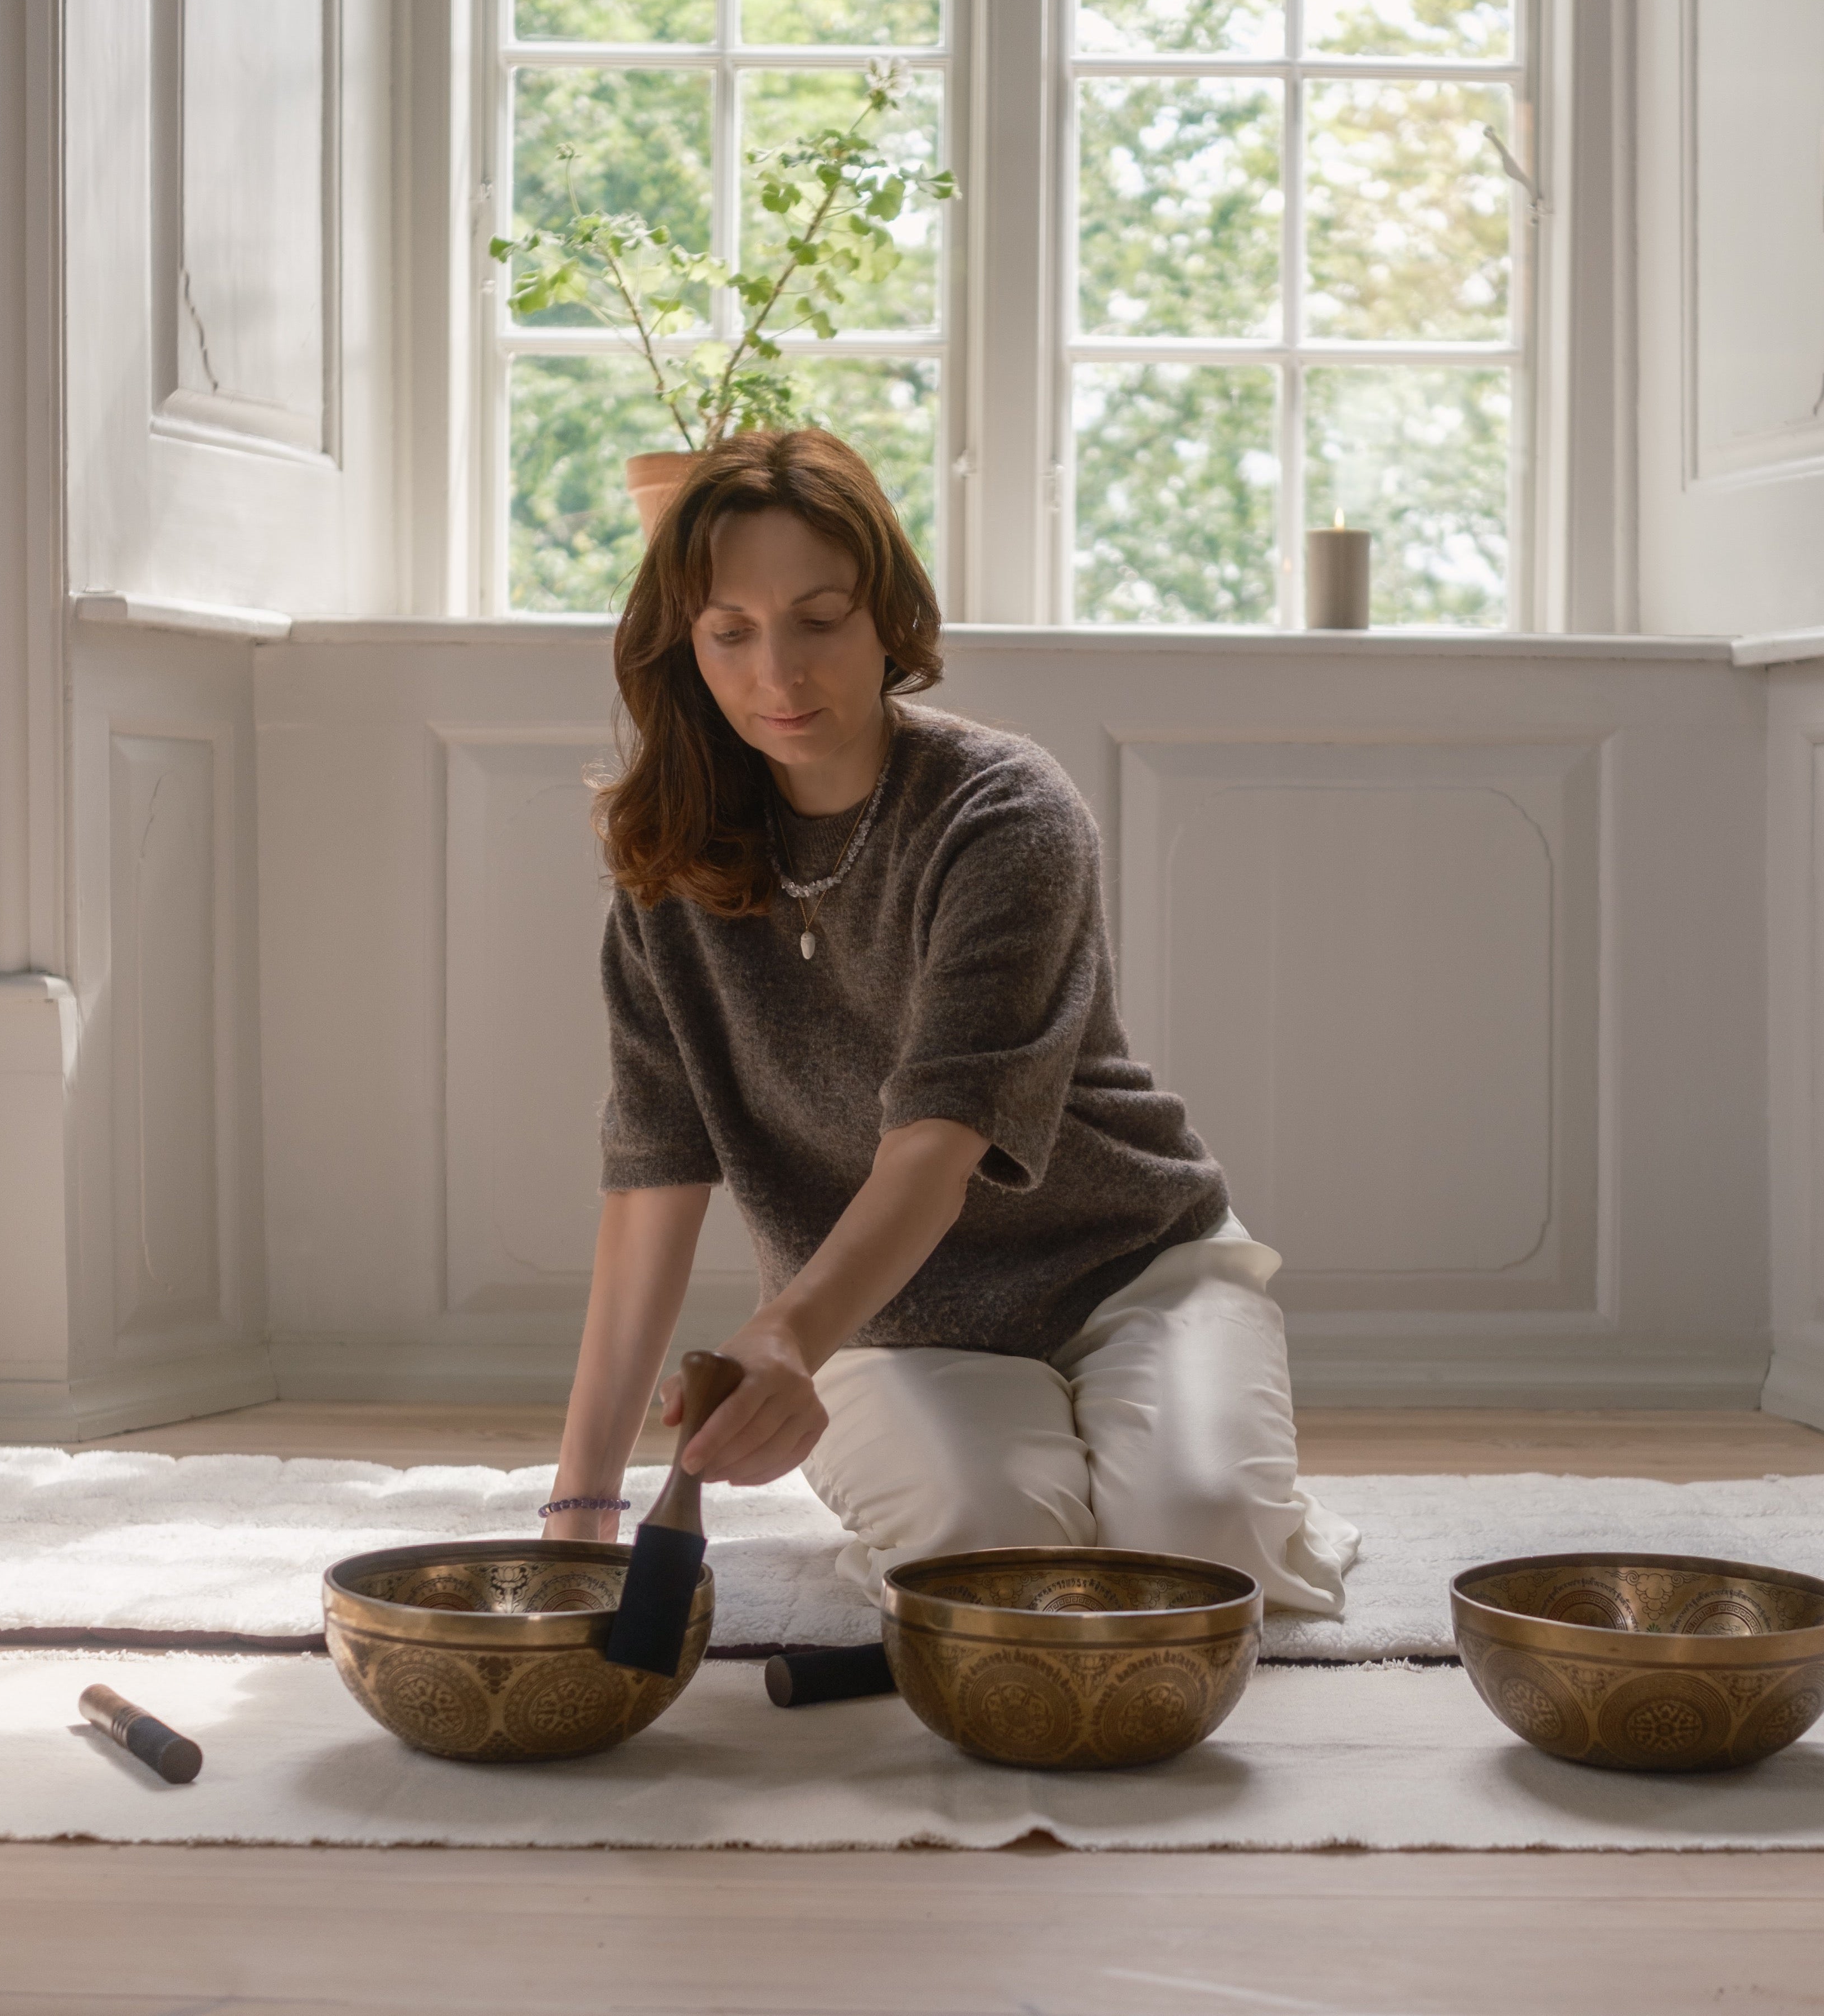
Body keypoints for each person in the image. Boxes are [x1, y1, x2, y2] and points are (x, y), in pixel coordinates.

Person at [540, 426, 1357, 1615]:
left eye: (819, 618)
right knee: (993, 1563)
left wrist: (778, 1336)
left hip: (1131, 1268)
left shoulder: (1004, 809)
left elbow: (937, 1141)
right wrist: (579, 1514)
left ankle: (1254, 1499)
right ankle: (1057, 1479)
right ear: (687, 649)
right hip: (888, 1325)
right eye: (731, 632)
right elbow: (649, 1197)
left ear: (887, 616)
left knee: (1196, 1542)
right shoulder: (667, 880)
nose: (780, 672)